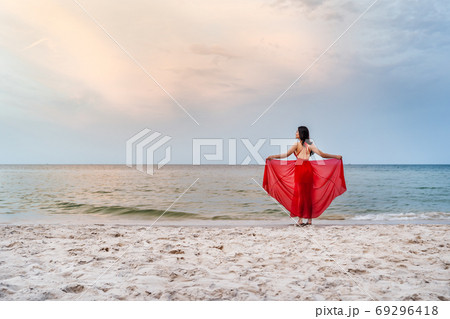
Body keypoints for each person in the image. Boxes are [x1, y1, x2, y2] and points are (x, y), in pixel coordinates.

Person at [265, 126, 344, 226]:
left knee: (300, 195)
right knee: (309, 195)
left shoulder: (297, 144)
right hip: (308, 168)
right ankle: (309, 220)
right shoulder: (309, 143)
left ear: (301, 133)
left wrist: (272, 157)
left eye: (297, 132)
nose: (296, 133)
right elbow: (322, 154)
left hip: (300, 169)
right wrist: (336, 156)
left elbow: (286, 155)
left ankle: (300, 219)